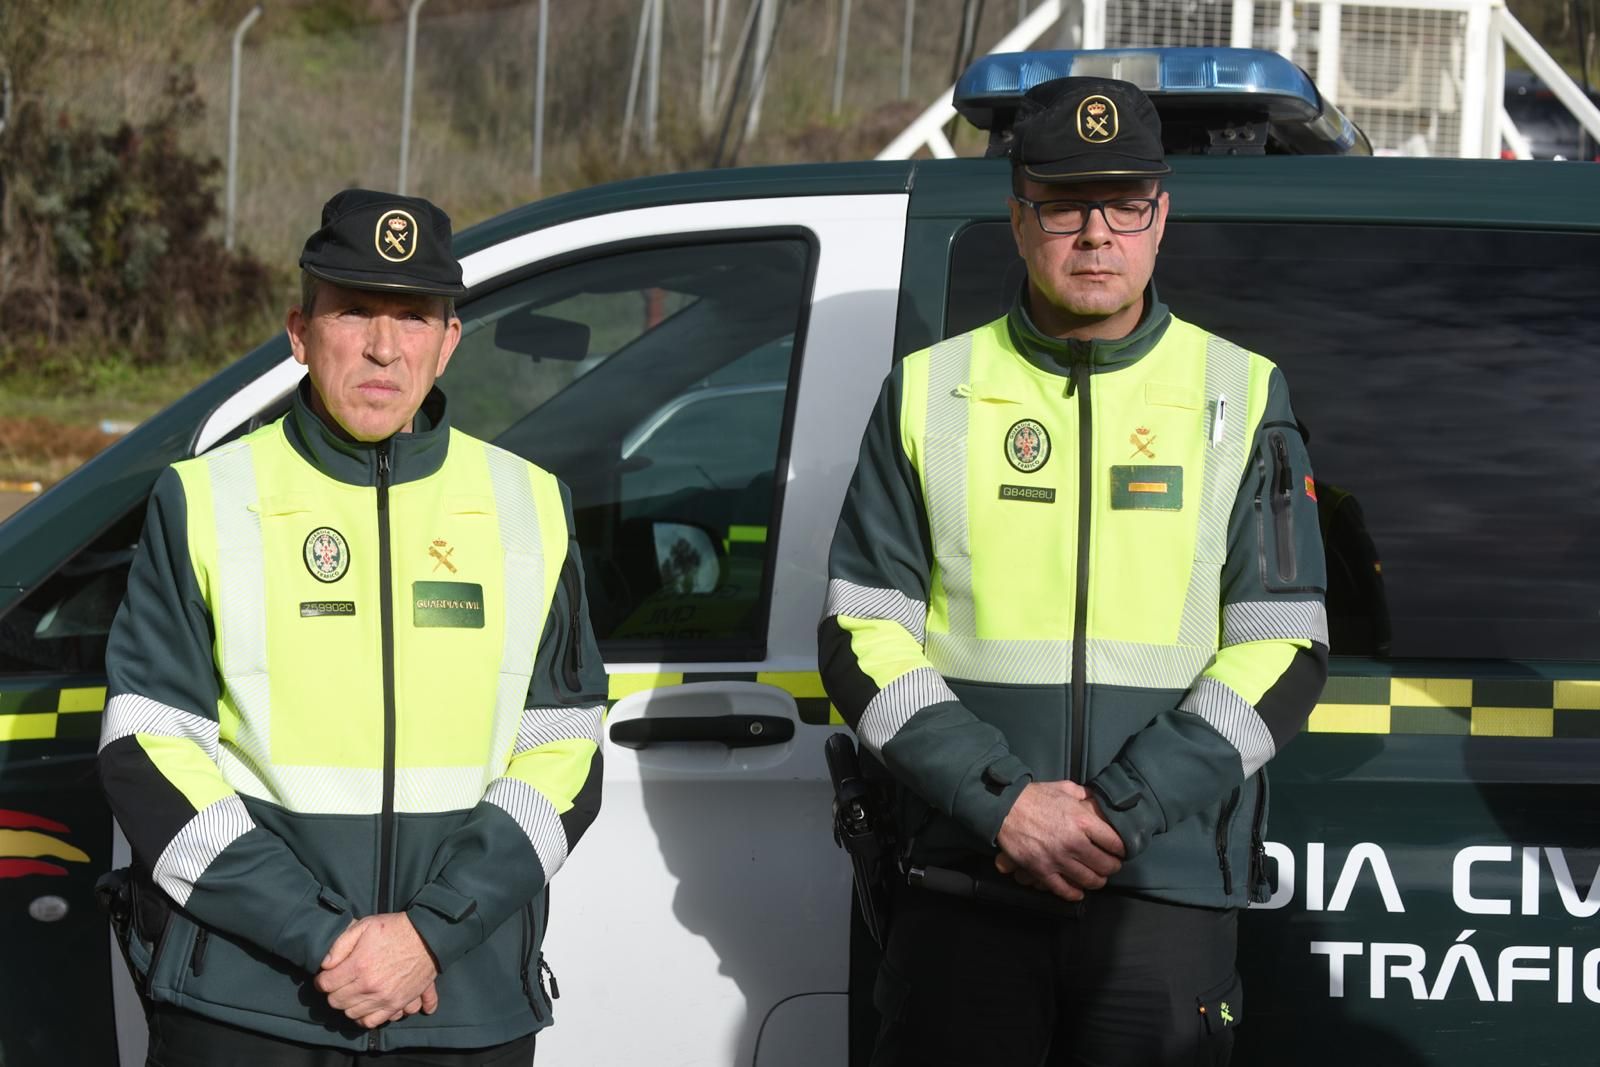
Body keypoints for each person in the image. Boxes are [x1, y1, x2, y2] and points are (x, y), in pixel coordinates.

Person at [819, 77, 1328, 1066]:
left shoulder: (1239, 389)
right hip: (962, 884)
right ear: (1018, 219)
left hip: (1160, 892)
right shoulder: (930, 390)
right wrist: (1000, 799)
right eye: (1062, 202)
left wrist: (1112, 812)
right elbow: (857, 630)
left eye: (1123, 201)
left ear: (1160, 216)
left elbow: (1284, 644)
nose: (1095, 232)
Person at [98, 189, 606, 1066]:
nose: (382, 345)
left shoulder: (530, 505)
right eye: (355, 310)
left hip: (459, 1004)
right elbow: (147, 749)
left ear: (448, 342)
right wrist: (326, 939)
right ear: (300, 332)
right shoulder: (205, 499)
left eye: (412, 317)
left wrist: (426, 936)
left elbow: (564, 751)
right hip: (248, 1004)